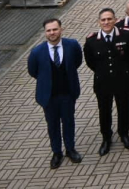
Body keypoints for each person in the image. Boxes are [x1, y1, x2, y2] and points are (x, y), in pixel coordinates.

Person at [28, 18, 83, 169]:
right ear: (45, 32)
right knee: (52, 125)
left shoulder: (72, 45)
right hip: (49, 97)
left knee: (68, 122)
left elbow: (77, 61)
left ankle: (70, 149)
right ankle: (57, 152)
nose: (52, 33)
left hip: (67, 94)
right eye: (49, 30)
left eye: (55, 29)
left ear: (61, 29)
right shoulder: (37, 52)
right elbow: (33, 71)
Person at [83, 8, 129, 156]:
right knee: (104, 111)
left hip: (122, 80)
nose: (106, 22)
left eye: (109, 19)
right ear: (99, 22)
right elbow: (91, 62)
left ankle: (124, 133)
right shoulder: (92, 41)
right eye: (103, 20)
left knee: (124, 108)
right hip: (103, 83)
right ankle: (106, 138)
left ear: (115, 20)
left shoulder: (125, 35)